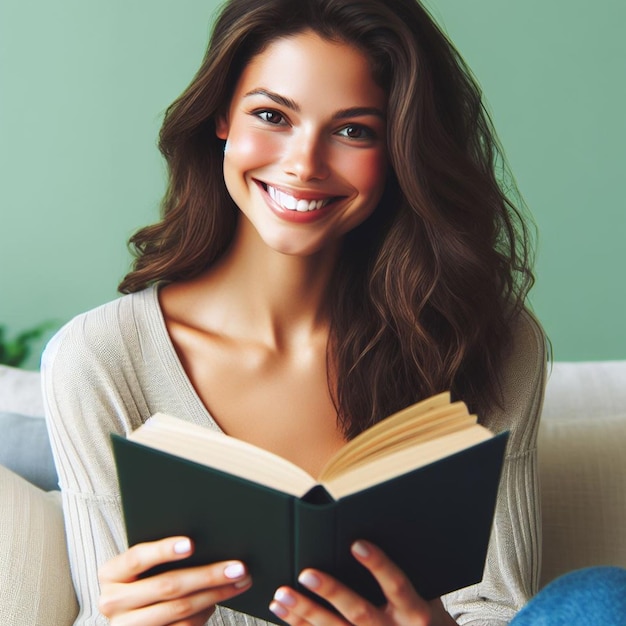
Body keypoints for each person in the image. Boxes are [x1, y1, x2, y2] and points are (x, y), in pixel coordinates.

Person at [42, 0, 552, 624]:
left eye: (353, 130)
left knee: (602, 601)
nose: (304, 164)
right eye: (271, 115)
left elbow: (502, 607)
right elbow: (110, 604)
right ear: (222, 117)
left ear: (399, 150)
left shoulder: (486, 339)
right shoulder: (98, 361)